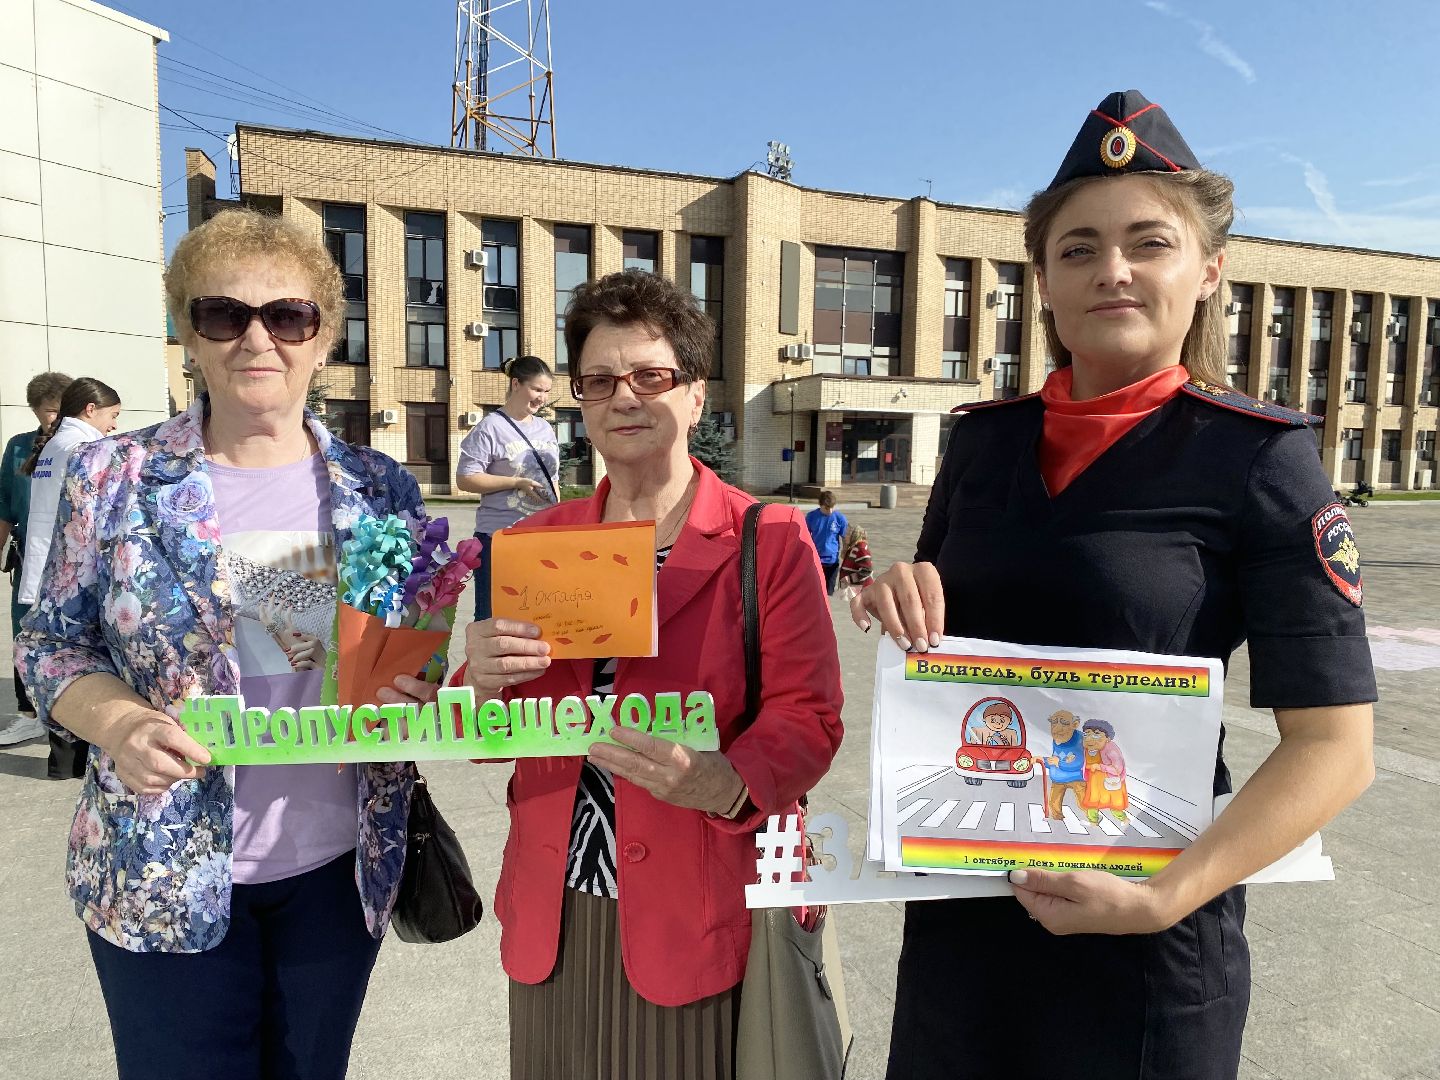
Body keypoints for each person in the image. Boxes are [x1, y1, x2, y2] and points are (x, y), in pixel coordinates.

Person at [854, 91, 1376, 1079]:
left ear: (1209, 270)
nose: (1114, 270)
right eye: (1080, 248)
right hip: (966, 922)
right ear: (1045, 282)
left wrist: (1164, 898)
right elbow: (943, 630)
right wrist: (901, 595)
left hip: (1145, 942)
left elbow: (1335, 750)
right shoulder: (982, 444)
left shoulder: (1260, 460)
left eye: (1149, 243)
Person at [15, 208, 434, 1080]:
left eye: (287, 315)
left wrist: (414, 682)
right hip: (161, 866)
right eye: (223, 314)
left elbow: (398, 650)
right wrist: (122, 724)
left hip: (336, 872)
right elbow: (50, 645)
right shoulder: (113, 475)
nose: (257, 338)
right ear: (188, 334)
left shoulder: (378, 487)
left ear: (324, 336)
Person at [459, 268, 844, 1079]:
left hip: (693, 911)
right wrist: (480, 682)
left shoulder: (768, 541)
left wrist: (725, 782)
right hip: (554, 913)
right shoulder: (538, 541)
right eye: (598, 381)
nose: (622, 397)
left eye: (650, 376)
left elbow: (809, 719)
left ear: (696, 395)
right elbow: (485, 730)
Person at [18, 377, 122, 777]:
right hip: (72, 567)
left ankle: (62, 763)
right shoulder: (83, 448)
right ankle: (71, 763)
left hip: (49, 564)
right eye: (112, 415)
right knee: (79, 659)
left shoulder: (54, 446)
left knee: (60, 653)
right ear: (91, 410)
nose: (114, 425)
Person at [454, 354, 559, 621]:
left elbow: (553, 479)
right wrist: (515, 483)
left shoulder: (545, 429)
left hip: (541, 536)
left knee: (538, 615)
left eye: (546, 391)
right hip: (499, 538)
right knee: (493, 616)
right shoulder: (490, 428)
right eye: (537, 389)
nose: (542, 398)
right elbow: (465, 478)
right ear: (515, 384)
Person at [0, 372, 72, 746]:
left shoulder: (82, 445)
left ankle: (70, 714)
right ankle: (29, 713)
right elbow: (4, 504)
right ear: (35, 411)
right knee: (25, 634)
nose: (56, 418)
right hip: (29, 559)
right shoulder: (18, 447)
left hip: (72, 561)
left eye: (62, 410)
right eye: (50, 411)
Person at [1079, 718, 1128, 824]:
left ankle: (1124, 819)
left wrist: (1100, 767)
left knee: (1114, 805)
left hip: (1109, 782)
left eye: (1096, 734)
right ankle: (1093, 822)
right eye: (1087, 734)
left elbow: (1118, 769)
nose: (1089, 738)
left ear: (1107, 738)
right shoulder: (1088, 749)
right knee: (1092, 803)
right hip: (1094, 782)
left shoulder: (1112, 749)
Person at [1043, 710, 1085, 821]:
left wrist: (1059, 763)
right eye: (1054, 722)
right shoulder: (1057, 739)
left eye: (1064, 723)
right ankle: (1058, 820)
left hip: (1077, 778)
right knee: (1053, 803)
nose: (1057, 729)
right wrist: (1042, 761)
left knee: (1083, 803)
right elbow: (1055, 758)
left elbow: (1079, 762)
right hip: (1058, 778)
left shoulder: (1080, 740)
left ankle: (1092, 817)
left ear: (1074, 725)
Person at [805, 489, 848, 595]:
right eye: (827, 508)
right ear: (821, 505)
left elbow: (845, 537)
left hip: (832, 561)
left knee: (828, 592)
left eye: (832, 507)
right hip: (816, 560)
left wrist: (845, 550)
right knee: (816, 591)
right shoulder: (811, 517)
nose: (830, 511)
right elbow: (805, 536)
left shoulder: (840, 518)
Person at [838, 522, 873, 593]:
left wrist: (848, 579)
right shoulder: (854, 548)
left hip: (860, 590)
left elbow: (867, 571)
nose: (845, 536)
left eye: (848, 534)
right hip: (853, 589)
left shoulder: (861, 549)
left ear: (854, 536)